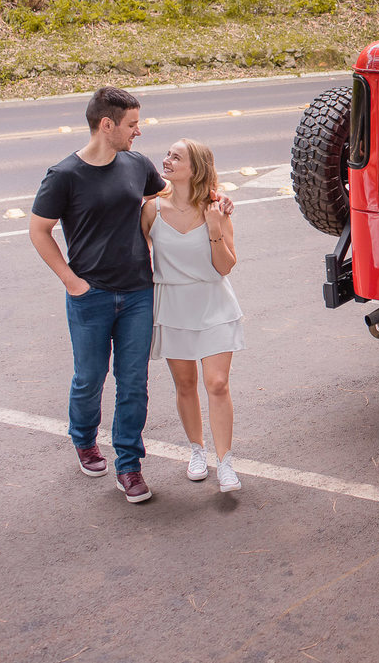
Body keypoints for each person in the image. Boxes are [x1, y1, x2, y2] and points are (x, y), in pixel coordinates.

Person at [30, 86, 165, 504]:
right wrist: (73, 283)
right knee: (89, 379)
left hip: (139, 292)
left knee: (134, 384)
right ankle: (85, 439)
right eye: (131, 124)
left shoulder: (137, 164)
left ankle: (129, 466)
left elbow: (166, 199)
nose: (138, 132)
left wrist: (215, 200)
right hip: (91, 295)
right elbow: (39, 230)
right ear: (107, 125)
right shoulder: (65, 175)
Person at [141, 138, 245, 492]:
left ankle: (225, 462)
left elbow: (226, 267)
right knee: (185, 384)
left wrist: (215, 228)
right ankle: (196, 450)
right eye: (167, 153)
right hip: (172, 304)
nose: (166, 160)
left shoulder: (216, 208)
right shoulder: (152, 209)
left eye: (176, 157)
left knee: (217, 383)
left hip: (213, 301)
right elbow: (134, 252)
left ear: (195, 168)